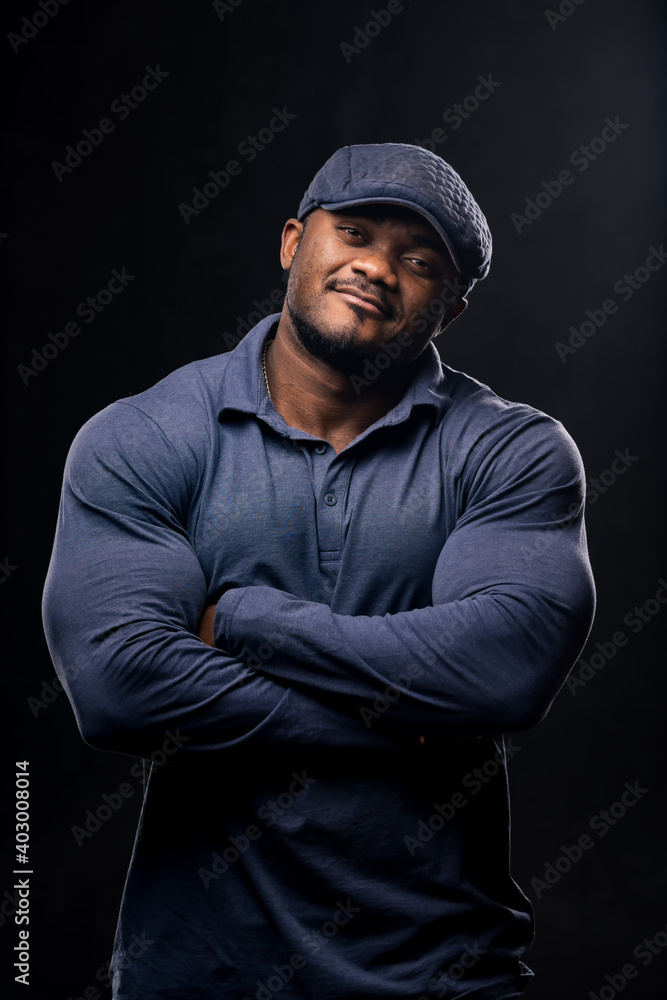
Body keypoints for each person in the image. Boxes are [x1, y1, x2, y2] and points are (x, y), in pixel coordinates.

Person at [43, 142, 595, 1000]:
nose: (377, 267)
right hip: (199, 976)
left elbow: (503, 671)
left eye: (418, 262)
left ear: (446, 310)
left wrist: (246, 622)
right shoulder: (146, 436)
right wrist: (410, 725)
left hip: (446, 977)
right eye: (356, 233)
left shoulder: (510, 450)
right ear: (294, 242)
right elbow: (119, 686)